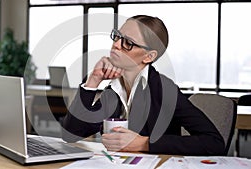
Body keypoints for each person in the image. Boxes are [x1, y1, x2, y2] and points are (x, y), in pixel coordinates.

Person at [62, 15, 225, 155]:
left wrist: (143, 143)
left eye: (128, 43)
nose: (116, 45)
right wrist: (93, 80)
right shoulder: (114, 89)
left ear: (148, 56)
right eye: (117, 36)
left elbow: (214, 142)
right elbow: (71, 134)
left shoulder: (164, 89)